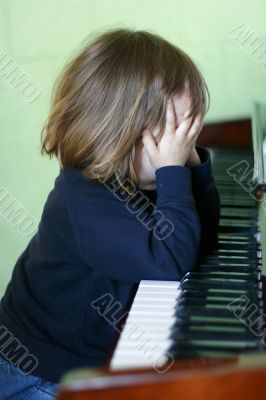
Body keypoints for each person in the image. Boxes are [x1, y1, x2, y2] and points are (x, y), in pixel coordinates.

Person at [0, 27, 220, 399]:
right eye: (175, 133)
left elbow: (200, 238)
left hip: (83, 357)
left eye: (190, 132)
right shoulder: (86, 200)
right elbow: (171, 262)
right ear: (123, 132)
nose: (181, 146)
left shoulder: (139, 179)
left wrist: (190, 165)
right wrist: (173, 172)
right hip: (39, 373)